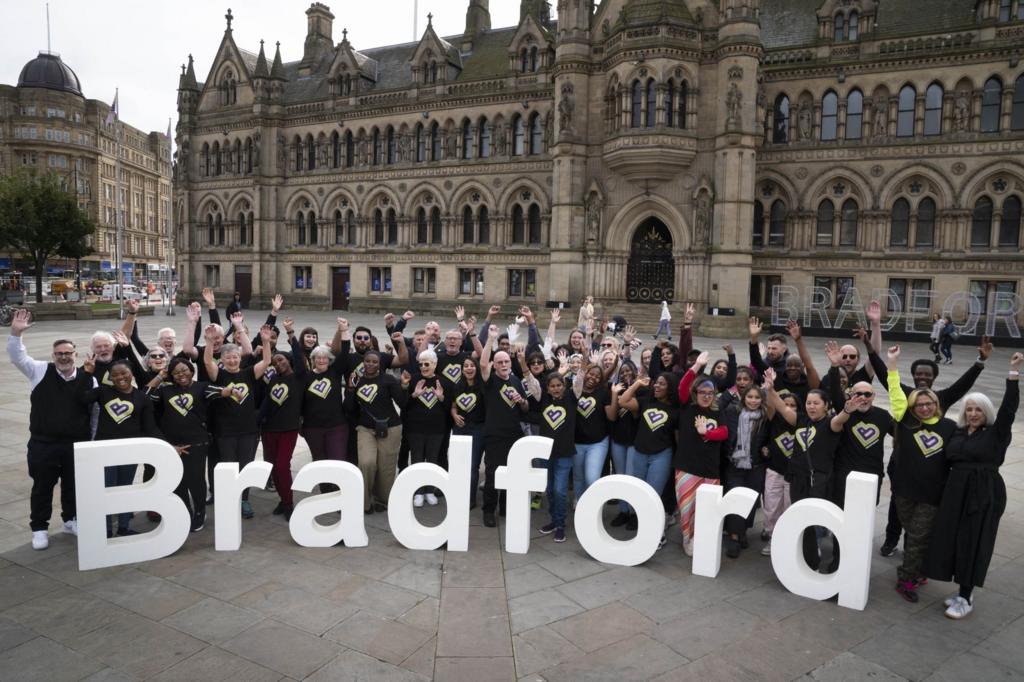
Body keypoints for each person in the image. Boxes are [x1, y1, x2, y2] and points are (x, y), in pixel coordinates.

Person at [868, 335, 990, 557]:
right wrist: (870, 349)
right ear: (913, 376)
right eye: (919, 373)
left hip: (928, 470)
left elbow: (963, 385)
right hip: (902, 463)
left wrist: (979, 363)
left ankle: (911, 547)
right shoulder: (906, 395)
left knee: (921, 511)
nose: (922, 377)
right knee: (898, 505)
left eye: (927, 374)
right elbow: (887, 379)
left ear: (934, 377)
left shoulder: (941, 398)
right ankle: (891, 539)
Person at [924, 352, 1021, 619]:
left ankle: (966, 596)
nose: (974, 413)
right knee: (952, 538)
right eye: (969, 409)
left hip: (983, 492)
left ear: (986, 412)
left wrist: (1013, 373)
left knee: (973, 540)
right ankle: (960, 590)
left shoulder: (996, 433)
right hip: (956, 491)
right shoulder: (957, 432)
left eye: (979, 409)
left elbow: (1009, 408)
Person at [8, 309, 93, 550]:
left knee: (73, 485)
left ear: (75, 354)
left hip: (76, 443)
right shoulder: (39, 371)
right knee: (42, 486)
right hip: (43, 443)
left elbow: (93, 413)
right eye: (59, 354)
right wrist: (16, 332)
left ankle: (70, 520)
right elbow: (17, 356)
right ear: (53, 355)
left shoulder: (89, 378)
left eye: (68, 353)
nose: (64, 357)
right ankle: (40, 528)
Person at [885, 344, 957, 603]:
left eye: (929, 404)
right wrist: (892, 364)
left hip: (931, 495)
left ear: (936, 404)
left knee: (917, 536)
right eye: (920, 404)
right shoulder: (906, 422)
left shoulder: (950, 427)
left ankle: (906, 578)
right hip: (904, 491)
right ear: (913, 407)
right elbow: (895, 392)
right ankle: (917, 568)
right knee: (912, 533)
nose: (925, 408)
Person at [764, 366, 850, 571]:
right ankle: (804, 554)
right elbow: (783, 408)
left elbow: (841, 419)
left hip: (818, 479)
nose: (811, 407)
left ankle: (814, 556)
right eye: (809, 403)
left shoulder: (830, 424)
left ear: (826, 405)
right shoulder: (800, 420)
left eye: (816, 403)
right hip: (797, 477)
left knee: (812, 519)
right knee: (798, 517)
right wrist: (770, 388)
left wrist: (847, 410)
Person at [82, 359, 162, 537]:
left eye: (124, 373)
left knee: (126, 489)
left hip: (130, 451)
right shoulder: (103, 392)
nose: (120, 377)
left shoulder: (141, 397)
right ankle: (107, 530)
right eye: (115, 375)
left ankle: (124, 527)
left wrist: (168, 445)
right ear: (110, 378)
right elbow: (82, 397)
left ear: (131, 374)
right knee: (107, 490)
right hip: (105, 452)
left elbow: (150, 427)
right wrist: (87, 373)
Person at [204, 323, 272, 519]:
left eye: (235, 357)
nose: (232, 360)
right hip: (225, 431)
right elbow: (208, 362)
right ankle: (229, 499)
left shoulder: (248, 373)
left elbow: (267, 361)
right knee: (228, 466)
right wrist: (209, 342)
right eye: (228, 358)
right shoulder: (219, 374)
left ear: (239, 358)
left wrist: (266, 341)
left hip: (248, 430)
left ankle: (244, 500)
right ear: (222, 360)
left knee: (245, 466)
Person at [146, 357, 217, 532]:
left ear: (192, 371)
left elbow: (220, 391)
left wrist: (232, 391)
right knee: (178, 481)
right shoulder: (165, 390)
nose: (181, 375)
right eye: (176, 372)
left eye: (184, 370)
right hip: (172, 445)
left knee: (196, 479)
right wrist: (161, 376)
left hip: (197, 443)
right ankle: (186, 510)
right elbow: (145, 395)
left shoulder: (201, 387)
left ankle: (200, 512)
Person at [674, 351, 727, 556]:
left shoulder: (717, 411)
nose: (706, 395)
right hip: (687, 466)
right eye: (702, 391)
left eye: (710, 392)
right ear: (695, 393)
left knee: (706, 509)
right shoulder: (687, 406)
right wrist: (696, 366)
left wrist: (708, 433)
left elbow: (724, 432)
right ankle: (687, 538)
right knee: (687, 507)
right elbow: (682, 386)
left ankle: (700, 537)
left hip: (710, 468)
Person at [479, 324, 531, 527]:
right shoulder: (490, 381)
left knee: (512, 473)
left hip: (514, 434)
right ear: (495, 364)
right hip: (494, 435)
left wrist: (521, 401)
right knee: (492, 473)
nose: (503, 364)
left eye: (506, 361)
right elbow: (483, 364)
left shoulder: (516, 381)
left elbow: (525, 408)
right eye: (499, 362)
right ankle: (488, 510)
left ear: (510, 363)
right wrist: (491, 339)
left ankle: (506, 507)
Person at [619, 372, 679, 545]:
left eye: (662, 384)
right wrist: (637, 384)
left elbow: (677, 438)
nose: (657, 386)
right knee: (640, 494)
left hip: (661, 456)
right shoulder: (646, 401)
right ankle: (645, 530)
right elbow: (623, 401)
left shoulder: (675, 410)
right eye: (656, 383)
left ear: (670, 388)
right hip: (639, 454)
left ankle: (658, 534)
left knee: (654, 495)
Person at [349, 350, 407, 513]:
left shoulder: (388, 379)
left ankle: (382, 499)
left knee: (386, 467)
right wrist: (351, 389)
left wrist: (404, 386)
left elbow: (402, 403)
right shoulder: (357, 382)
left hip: (391, 428)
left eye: (375, 362)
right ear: (363, 362)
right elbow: (350, 409)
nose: (371, 364)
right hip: (365, 429)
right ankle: (365, 501)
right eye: (368, 361)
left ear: (379, 364)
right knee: (366, 463)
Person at [259, 319, 306, 520]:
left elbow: (299, 355)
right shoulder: (273, 380)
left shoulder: (299, 377)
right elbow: (266, 404)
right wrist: (257, 420)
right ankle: (282, 498)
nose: (279, 363)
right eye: (275, 361)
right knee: (272, 466)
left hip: (289, 429)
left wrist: (290, 333)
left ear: (288, 360)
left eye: (282, 360)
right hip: (269, 429)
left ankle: (288, 503)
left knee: (282, 465)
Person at [721, 384, 770, 558]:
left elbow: (770, 437)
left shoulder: (765, 416)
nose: (753, 401)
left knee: (750, 501)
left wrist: (767, 448)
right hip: (735, 464)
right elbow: (725, 432)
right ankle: (733, 537)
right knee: (735, 499)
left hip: (756, 465)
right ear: (743, 398)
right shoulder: (732, 411)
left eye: (757, 398)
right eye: (750, 397)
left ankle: (742, 531)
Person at [528, 372, 577, 543]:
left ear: (564, 386)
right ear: (547, 389)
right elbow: (531, 382)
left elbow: (580, 379)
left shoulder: (571, 398)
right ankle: (554, 521)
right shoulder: (543, 399)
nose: (556, 389)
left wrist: (585, 356)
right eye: (552, 386)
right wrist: (523, 364)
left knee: (560, 490)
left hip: (564, 453)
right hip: (545, 453)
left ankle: (561, 525)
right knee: (549, 489)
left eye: (559, 385)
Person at [402, 349, 449, 507]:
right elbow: (404, 405)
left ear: (434, 364)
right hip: (415, 428)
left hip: (436, 429)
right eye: (421, 364)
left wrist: (441, 397)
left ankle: (429, 490)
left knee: (433, 460)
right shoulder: (414, 379)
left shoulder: (443, 381)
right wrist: (414, 394)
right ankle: (418, 491)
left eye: (427, 364)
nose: (423, 367)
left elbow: (451, 407)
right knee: (416, 460)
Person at [759, 391, 798, 555]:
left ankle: (788, 539)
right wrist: (770, 388)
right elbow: (770, 405)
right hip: (774, 470)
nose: (788, 408)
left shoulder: (801, 422)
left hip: (794, 474)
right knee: (771, 506)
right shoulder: (773, 418)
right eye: (785, 404)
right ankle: (772, 537)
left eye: (792, 405)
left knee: (790, 507)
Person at [572, 360, 617, 501]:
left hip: (597, 443)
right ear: (585, 373)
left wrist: (614, 394)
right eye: (591, 374)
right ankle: (578, 501)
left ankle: (591, 504)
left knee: (592, 478)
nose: (593, 378)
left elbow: (611, 417)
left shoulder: (603, 393)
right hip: (576, 442)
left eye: (598, 376)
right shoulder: (574, 391)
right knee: (578, 476)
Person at [451, 357, 486, 509]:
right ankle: (458, 494)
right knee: (459, 464)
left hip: (478, 428)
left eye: (472, 365)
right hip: (460, 428)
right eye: (466, 366)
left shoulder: (483, 386)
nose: (469, 368)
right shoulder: (457, 386)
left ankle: (470, 498)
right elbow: (453, 406)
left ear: (476, 368)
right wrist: (454, 415)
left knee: (472, 465)